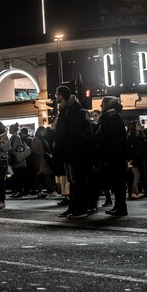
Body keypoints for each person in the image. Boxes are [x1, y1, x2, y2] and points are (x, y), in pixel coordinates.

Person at [52, 84, 94, 218]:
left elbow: (72, 132)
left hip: (74, 152)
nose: (55, 97)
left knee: (77, 180)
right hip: (70, 152)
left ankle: (80, 209)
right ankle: (73, 207)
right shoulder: (67, 109)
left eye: (57, 94)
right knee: (72, 181)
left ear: (61, 96)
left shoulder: (72, 110)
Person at [96, 96, 128, 216]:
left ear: (108, 104)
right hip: (114, 156)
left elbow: (112, 139)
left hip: (115, 156)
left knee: (118, 183)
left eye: (102, 103)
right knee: (116, 183)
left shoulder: (112, 118)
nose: (101, 106)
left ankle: (121, 207)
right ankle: (118, 206)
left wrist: (107, 155)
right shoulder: (112, 117)